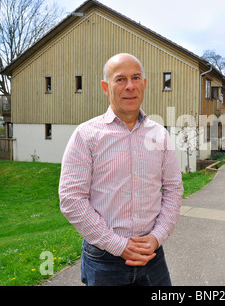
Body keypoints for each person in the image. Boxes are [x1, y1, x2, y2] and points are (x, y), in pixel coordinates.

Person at [59, 53, 184, 286]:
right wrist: (118, 245)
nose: (130, 86)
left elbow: (173, 189)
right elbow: (71, 199)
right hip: (104, 260)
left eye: (136, 78)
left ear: (144, 84)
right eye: (120, 79)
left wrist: (157, 237)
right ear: (106, 87)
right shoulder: (87, 135)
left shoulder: (160, 135)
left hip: (153, 258)